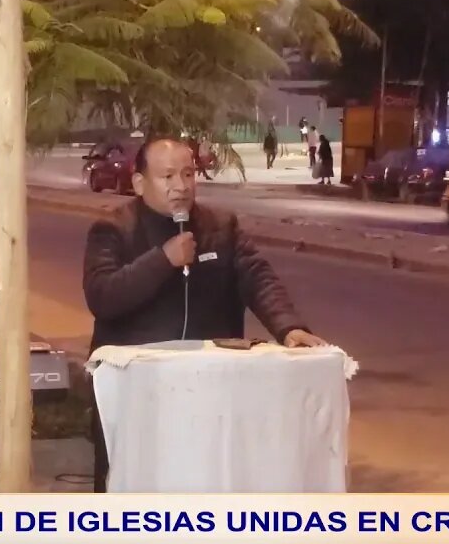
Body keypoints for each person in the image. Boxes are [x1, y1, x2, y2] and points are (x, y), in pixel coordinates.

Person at [82, 138, 328, 492]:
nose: (180, 187)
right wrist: (162, 260)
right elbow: (102, 295)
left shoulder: (219, 226)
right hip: (136, 396)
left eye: (188, 174)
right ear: (139, 184)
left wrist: (289, 328)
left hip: (208, 393)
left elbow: (258, 277)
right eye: (167, 176)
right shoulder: (113, 229)